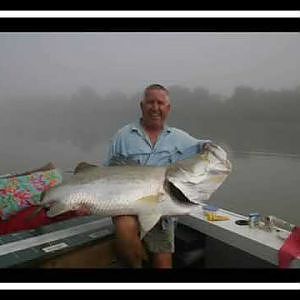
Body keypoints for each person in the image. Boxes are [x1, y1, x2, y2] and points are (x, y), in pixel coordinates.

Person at [106, 84, 211, 268]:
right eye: (150, 102)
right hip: (126, 205)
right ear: (141, 106)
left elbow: (204, 147)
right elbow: (107, 173)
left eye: (160, 103)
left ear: (168, 108)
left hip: (161, 208)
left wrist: (212, 148)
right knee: (125, 229)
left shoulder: (180, 138)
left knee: (163, 264)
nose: (155, 108)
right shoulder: (122, 136)